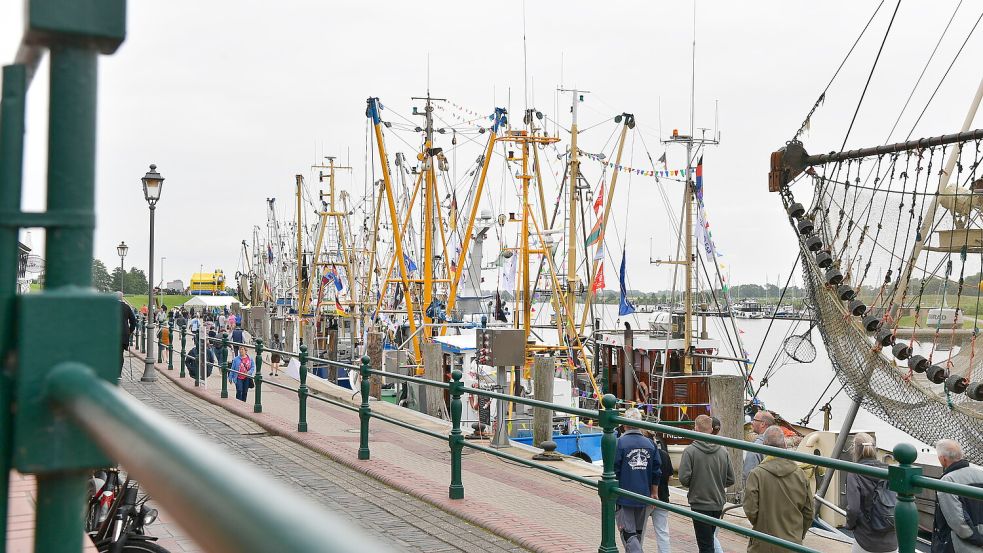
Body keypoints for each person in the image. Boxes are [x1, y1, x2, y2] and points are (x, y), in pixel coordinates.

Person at [743, 426, 814, 553]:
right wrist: (797, 534)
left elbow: (750, 510)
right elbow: (808, 512)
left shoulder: (756, 474)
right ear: (785, 446)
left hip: (763, 544)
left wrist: (762, 524)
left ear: (764, 446)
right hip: (792, 544)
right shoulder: (801, 475)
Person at [678, 414, 735, 553]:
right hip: (717, 502)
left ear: (696, 428)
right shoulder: (723, 451)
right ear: (710, 429)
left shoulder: (690, 451)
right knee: (710, 540)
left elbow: (684, 479)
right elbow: (731, 479)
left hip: (700, 502)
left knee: (705, 545)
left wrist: (697, 481)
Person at [614, 408, 660, 553]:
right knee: (638, 534)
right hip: (644, 494)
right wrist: (654, 492)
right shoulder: (650, 444)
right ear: (640, 424)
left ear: (624, 425)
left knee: (628, 534)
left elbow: (614, 470)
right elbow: (656, 470)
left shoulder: (619, 443)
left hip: (623, 495)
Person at [845, 433, 898, 553]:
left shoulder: (855, 473)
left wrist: (849, 525)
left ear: (855, 450)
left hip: (866, 539)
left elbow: (853, 509)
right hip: (890, 539)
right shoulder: (890, 471)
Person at [932, 439, 983, 553]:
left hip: (957, 546)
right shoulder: (981, 474)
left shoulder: (947, 480)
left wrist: (979, 540)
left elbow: (958, 522)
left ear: (943, 459)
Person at [646, 433, 674, 553]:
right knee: (662, 532)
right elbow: (671, 477)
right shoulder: (664, 455)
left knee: (638, 530)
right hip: (662, 496)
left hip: (644, 496)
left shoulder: (644, 455)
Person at [744, 409, 776, 482]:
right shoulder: (779, 445)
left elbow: (748, 477)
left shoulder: (755, 448)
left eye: (755, 420)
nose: (752, 422)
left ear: (762, 424)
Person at [118, 292, 136, 369]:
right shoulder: (126, 307)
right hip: (123, 334)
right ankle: (118, 373)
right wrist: (130, 331)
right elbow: (133, 321)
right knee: (120, 354)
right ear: (122, 298)